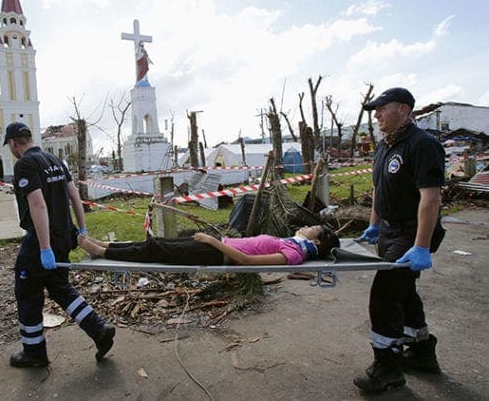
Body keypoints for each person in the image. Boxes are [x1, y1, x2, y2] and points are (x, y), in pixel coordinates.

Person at [353, 88, 446, 393]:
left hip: (411, 232)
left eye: (381, 108)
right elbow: (379, 188)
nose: (376, 114)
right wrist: (374, 224)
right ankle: (421, 352)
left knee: (383, 295)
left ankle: (387, 367)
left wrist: (421, 244)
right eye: (374, 110)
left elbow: (430, 198)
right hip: (390, 231)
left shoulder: (422, 145)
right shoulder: (384, 147)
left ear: (403, 110)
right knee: (404, 292)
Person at [4, 122, 115, 368]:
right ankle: (99, 330)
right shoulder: (55, 160)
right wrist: (82, 229)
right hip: (64, 235)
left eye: (10, 146)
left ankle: (34, 352)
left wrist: (44, 248)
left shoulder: (24, 165)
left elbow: (38, 205)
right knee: (59, 287)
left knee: (27, 292)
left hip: (42, 239)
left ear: (13, 143)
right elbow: (75, 197)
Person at [77, 225, 340, 266]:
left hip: (215, 252)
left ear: (315, 241)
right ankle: (107, 245)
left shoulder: (294, 253)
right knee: (155, 242)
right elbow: (299, 233)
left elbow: (247, 262)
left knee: (156, 250)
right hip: (215, 245)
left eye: (312, 228)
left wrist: (211, 240)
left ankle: (102, 252)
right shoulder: (296, 243)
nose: (306, 226)